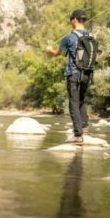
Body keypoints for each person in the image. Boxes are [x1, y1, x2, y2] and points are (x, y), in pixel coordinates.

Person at [45, 9, 92, 142]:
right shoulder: (91, 35)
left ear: (74, 20)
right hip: (87, 73)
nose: (71, 22)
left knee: (73, 103)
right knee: (81, 100)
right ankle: (85, 127)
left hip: (73, 73)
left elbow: (56, 53)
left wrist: (49, 50)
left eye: (71, 19)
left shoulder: (69, 37)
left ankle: (78, 135)